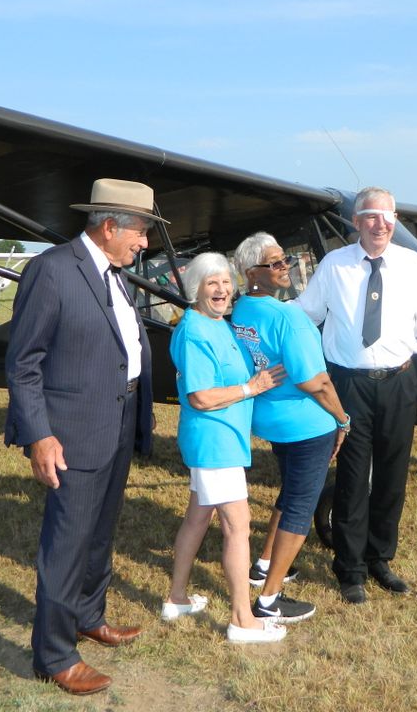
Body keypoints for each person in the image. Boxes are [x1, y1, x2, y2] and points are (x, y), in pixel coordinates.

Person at [4, 179, 159, 696]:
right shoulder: (52, 270)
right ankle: (54, 654)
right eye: (140, 231)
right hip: (73, 431)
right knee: (67, 542)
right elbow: (23, 363)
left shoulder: (116, 274)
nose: (145, 242)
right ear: (110, 226)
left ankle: (89, 615)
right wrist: (40, 436)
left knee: (100, 530)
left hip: (119, 419)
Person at [297, 187, 417, 605]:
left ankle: (380, 558)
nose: (380, 224)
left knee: (391, 476)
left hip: (400, 383)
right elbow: (306, 314)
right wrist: (264, 316)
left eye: (387, 216)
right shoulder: (335, 265)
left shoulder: (411, 265)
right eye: (370, 216)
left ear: (395, 220)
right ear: (356, 221)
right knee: (351, 477)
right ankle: (350, 569)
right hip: (349, 385)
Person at [162, 252, 287, 643]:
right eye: (211, 283)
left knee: (197, 518)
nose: (221, 289)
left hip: (223, 439)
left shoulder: (219, 323)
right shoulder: (194, 331)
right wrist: (251, 387)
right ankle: (242, 620)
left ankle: (177, 598)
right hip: (214, 441)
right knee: (238, 528)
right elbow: (200, 396)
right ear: (196, 288)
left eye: (226, 282)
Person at [231, 232, 350, 624]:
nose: (285, 267)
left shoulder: (243, 309)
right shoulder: (289, 317)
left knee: (291, 492)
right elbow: (315, 381)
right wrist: (343, 418)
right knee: (300, 506)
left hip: (271, 420)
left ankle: (264, 563)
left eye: (285, 259)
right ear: (252, 273)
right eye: (275, 263)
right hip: (306, 425)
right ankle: (269, 600)